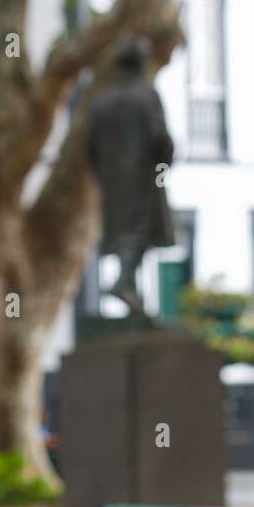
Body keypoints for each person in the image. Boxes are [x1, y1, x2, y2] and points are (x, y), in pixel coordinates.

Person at [85, 37, 176, 314]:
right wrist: (164, 163)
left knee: (126, 231)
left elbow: (89, 145)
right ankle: (124, 282)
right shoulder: (145, 95)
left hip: (112, 182)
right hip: (141, 178)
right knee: (140, 230)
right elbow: (160, 137)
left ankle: (132, 292)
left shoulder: (101, 102)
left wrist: (104, 174)